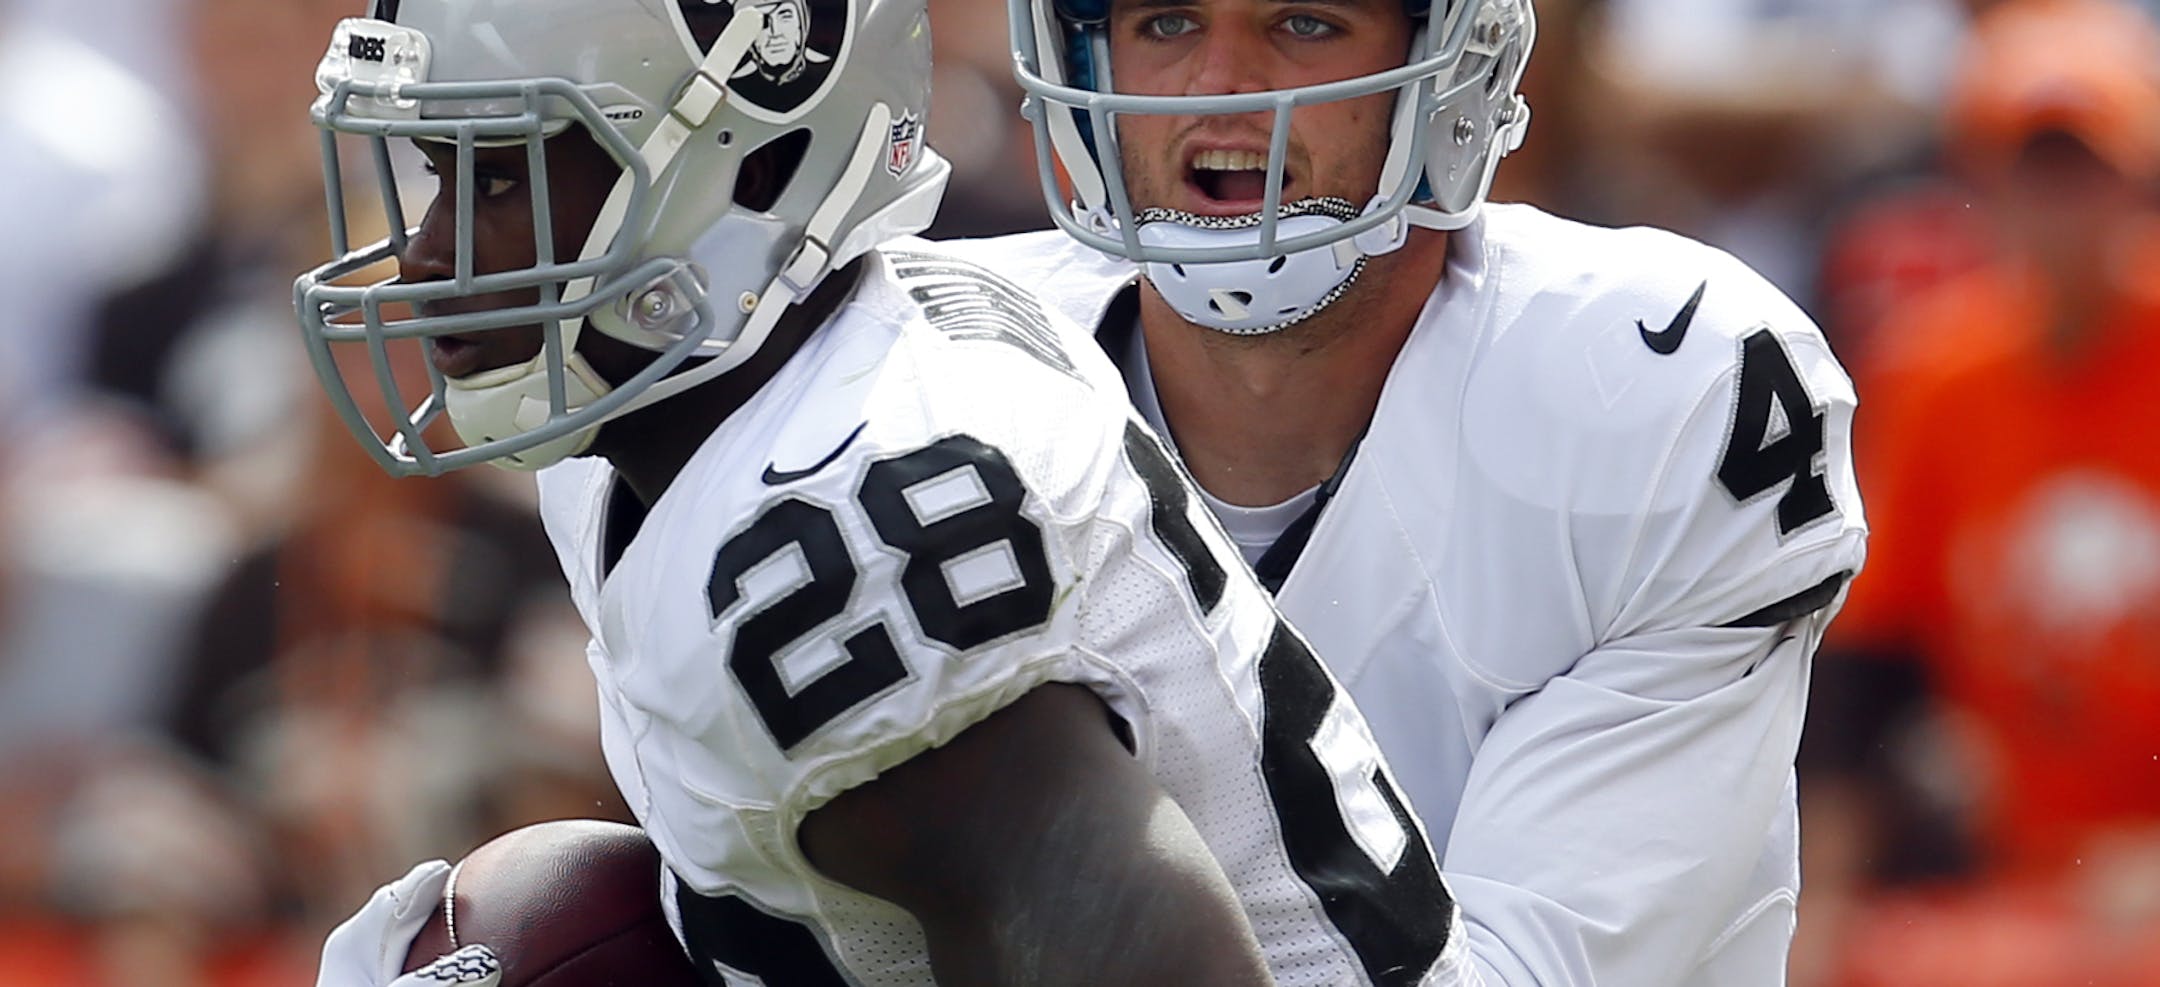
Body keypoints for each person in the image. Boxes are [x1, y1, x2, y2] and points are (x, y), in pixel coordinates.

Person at [298, 1, 1463, 985]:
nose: (429, 255)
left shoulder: (845, 537)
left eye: (499, 181)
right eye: (437, 171)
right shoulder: (695, 397)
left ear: (748, 168)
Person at [938, 0, 1869, 981]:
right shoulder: (919, 373)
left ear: (1451, 64)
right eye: (1166, 22)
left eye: (1302, 23)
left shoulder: (1662, 391)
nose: (1217, 85)